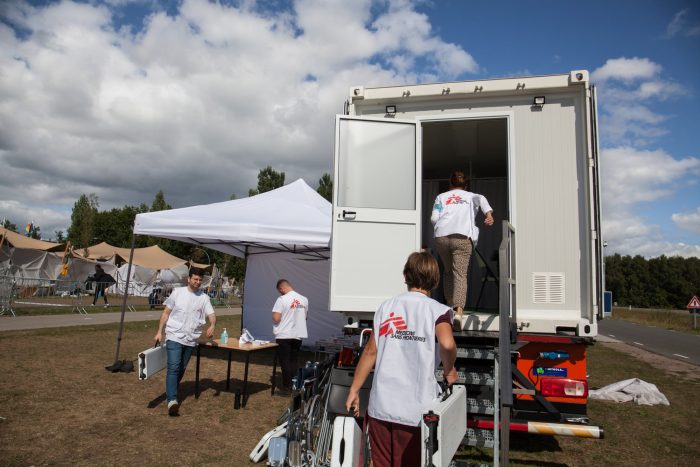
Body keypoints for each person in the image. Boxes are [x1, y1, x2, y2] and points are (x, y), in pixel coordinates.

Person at [344, 252, 457, 467]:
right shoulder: (438, 311)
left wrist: (354, 390)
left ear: (406, 276)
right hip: (416, 412)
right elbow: (447, 344)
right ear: (435, 280)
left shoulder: (386, 307)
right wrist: (449, 369)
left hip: (382, 407)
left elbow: (370, 352)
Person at [430, 170, 494, 325]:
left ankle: (449, 307)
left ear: (450, 183)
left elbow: (433, 218)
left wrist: (441, 227)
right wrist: (489, 215)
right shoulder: (472, 196)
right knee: (460, 274)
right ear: (466, 185)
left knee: (448, 272)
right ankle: (458, 313)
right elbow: (483, 201)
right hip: (462, 237)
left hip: (442, 238)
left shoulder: (441, 197)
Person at [154, 267, 216, 416]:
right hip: (174, 335)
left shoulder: (204, 298)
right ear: (188, 279)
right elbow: (166, 313)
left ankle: (171, 390)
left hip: (191, 338)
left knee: (181, 368)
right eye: (195, 279)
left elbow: (212, 314)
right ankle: (172, 400)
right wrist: (159, 332)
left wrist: (212, 324)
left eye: (200, 280)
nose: (197, 282)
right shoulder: (177, 293)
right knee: (174, 367)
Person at [271, 279, 308, 395]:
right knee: (294, 360)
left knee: (285, 361)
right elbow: (305, 317)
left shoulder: (281, 299)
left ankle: (287, 387)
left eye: (279, 291)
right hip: (298, 334)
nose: (280, 293)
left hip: (284, 334)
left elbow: (276, 318)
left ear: (281, 288)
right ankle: (295, 385)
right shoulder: (304, 299)